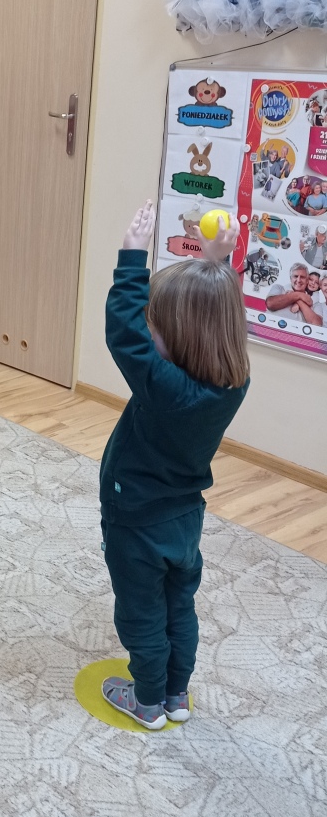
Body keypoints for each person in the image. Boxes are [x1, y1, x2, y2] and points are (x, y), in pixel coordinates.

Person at [99, 202, 250, 729]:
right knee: (178, 606)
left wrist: (131, 259)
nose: (147, 332)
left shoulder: (165, 389)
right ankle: (175, 694)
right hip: (184, 520)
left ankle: (146, 699)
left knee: (140, 613)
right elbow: (217, 315)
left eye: (155, 328)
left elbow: (124, 333)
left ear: (180, 340)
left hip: (136, 519)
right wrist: (218, 262)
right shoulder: (232, 382)